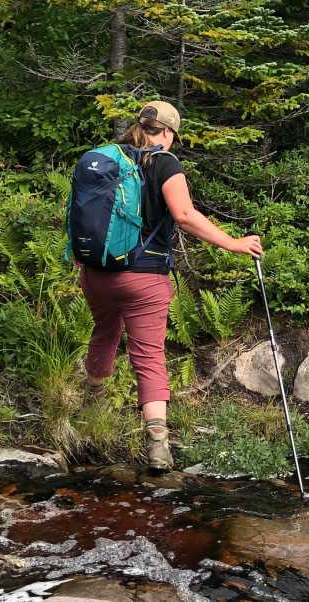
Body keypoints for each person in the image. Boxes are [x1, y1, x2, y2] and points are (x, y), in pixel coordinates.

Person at [78, 101, 262, 470]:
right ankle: (158, 446)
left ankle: (90, 410)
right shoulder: (165, 162)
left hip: (97, 272)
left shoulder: (106, 159)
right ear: (166, 133)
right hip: (145, 277)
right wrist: (234, 243)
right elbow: (184, 214)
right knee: (148, 357)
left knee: (104, 334)